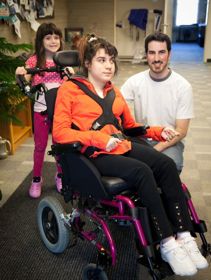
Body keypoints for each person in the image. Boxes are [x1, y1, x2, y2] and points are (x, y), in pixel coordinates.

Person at [53, 33, 208, 277]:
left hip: (120, 144)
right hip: (93, 154)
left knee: (166, 165)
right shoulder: (69, 89)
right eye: (102, 60)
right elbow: (60, 134)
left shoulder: (113, 91)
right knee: (143, 172)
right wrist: (99, 139)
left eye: (111, 60)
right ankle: (167, 243)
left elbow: (131, 126)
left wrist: (159, 131)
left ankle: (185, 235)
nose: (109, 65)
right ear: (87, 64)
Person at [15, 23, 74, 198]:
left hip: (60, 111)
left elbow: (72, 80)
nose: (53, 41)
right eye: (48, 38)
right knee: (40, 146)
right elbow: (24, 77)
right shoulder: (34, 60)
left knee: (59, 145)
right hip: (41, 109)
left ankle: (60, 175)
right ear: (41, 41)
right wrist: (20, 73)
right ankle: (36, 179)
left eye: (56, 37)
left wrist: (71, 72)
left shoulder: (64, 60)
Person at [121, 32, 194, 173]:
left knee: (170, 166)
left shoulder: (183, 87)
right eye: (151, 53)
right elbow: (114, 104)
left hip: (169, 142)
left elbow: (181, 131)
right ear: (146, 55)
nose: (156, 58)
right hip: (142, 138)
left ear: (169, 54)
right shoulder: (135, 82)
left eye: (161, 52)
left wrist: (154, 151)